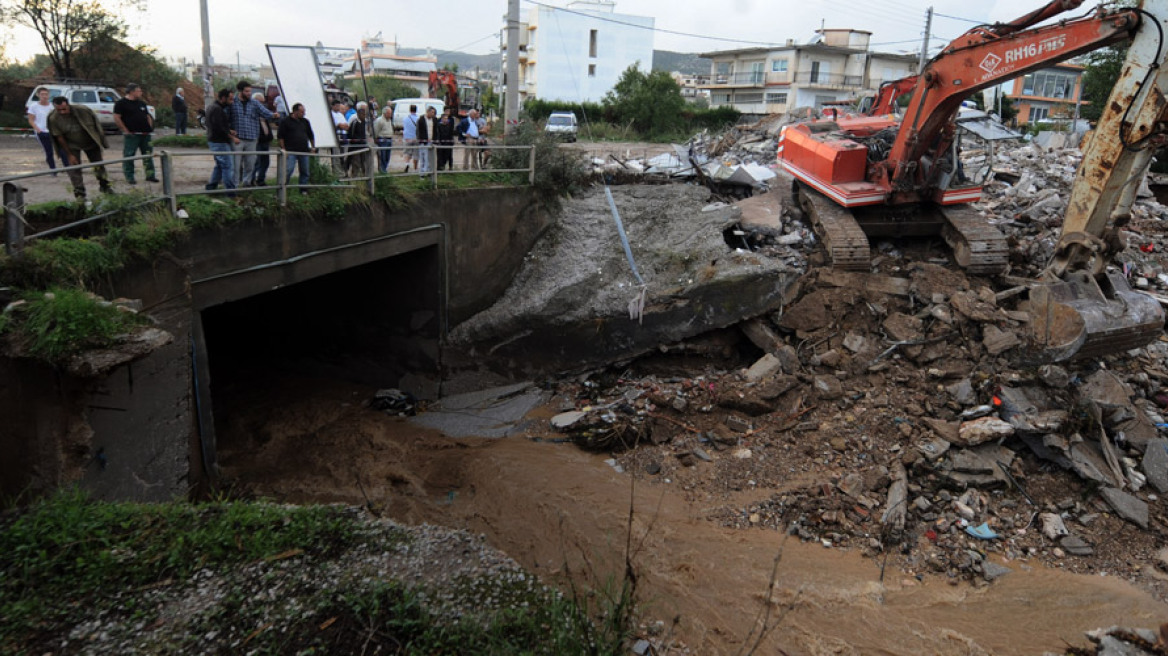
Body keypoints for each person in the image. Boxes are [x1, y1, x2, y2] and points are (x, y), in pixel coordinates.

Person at [47, 96, 112, 200]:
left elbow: (97, 127)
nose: (62, 112)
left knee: (98, 165)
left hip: (90, 141)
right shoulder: (53, 118)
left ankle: (105, 185)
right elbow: (59, 137)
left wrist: (101, 142)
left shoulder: (83, 111)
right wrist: (69, 154)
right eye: (59, 110)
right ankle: (80, 193)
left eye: (64, 109)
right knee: (74, 169)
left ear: (68, 105)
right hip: (72, 144)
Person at [230, 79, 276, 186]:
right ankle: (234, 187)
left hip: (252, 139)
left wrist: (274, 115)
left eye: (250, 91)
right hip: (238, 139)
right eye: (246, 91)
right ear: (240, 91)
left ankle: (247, 184)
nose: (249, 93)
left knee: (250, 164)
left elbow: (265, 112)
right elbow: (226, 118)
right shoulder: (233, 103)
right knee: (236, 165)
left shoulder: (254, 103)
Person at [113, 82, 157, 184]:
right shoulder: (121, 103)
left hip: (145, 134)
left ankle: (150, 175)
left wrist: (149, 128)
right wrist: (125, 130)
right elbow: (117, 117)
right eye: (139, 91)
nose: (141, 92)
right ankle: (130, 177)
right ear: (132, 92)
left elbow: (147, 116)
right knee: (129, 155)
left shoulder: (141, 103)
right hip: (132, 134)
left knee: (147, 155)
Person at [205, 88, 240, 193]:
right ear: (223, 98)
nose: (232, 101)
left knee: (220, 166)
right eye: (230, 99)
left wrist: (229, 130)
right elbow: (219, 128)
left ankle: (211, 188)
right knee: (227, 166)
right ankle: (230, 192)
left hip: (215, 140)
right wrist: (232, 137)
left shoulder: (214, 107)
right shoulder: (217, 109)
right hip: (219, 142)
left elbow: (218, 125)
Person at [27, 87, 66, 176]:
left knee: (62, 150)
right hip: (42, 132)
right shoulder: (34, 106)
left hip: (53, 131)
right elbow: (31, 120)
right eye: (42, 94)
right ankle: (53, 170)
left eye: (46, 94)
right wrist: (38, 130)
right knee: (49, 152)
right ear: (38, 95)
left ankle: (68, 167)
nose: (44, 96)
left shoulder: (52, 106)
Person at [278, 102, 315, 191]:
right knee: (288, 170)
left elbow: (311, 135)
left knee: (305, 171)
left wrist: (313, 147)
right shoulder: (285, 121)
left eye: (304, 112)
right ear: (295, 111)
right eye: (302, 112)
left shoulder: (305, 121)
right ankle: (282, 188)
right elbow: (280, 137)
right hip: (291, 150)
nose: (304, 114)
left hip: (303, 150)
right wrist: (283, 149)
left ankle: (303, 190)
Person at [252, 92, 275, 185]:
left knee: (265, 162)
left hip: (265, 141)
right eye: (260, 102)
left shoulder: (264, 113)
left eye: (263, 102)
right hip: (257, 142)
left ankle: (260, 180)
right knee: (256, 163)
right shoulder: (253, 113)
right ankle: (251, 180)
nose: (262, 105)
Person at [346, 101, 369, 177]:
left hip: (363, 145)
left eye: (365, 114)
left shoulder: (365, 122)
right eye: (363, 114)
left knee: (364, 162)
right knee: (356, 162)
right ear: (359, 114)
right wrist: (355, 140)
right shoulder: (354, 122)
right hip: (355, 146)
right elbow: (350, 134)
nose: (364, 116)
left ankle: (365, 177)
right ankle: (354, 177)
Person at [415, 106, 438, 176]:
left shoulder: (434, 120)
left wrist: (435, 140)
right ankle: (422, 173)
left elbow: (436, 131)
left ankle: (429, 172)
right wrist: (420, 140)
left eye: (434, 113)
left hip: (431, 142)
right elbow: (418, 131)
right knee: (423, 158)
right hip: (423, 142)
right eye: (432, 112)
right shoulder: (421, 120)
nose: (433, 114)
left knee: (430, 158)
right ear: (427, 112)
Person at [330, 100, 350, 175]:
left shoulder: (340, 114)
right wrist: (342, 126)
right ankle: (337, 173)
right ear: (332, 106)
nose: (338, 107)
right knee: (337, 156)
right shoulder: (331, 114)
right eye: (337, 106)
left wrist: (343, 126)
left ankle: (344, 172)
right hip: (337, 136)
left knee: (344, 156)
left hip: (344, 136)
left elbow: (347, 126)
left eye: (339, 106)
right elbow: (339, 125)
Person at [373, 105, 394, 173]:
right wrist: (376, 139)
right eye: (389, 113)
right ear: (385, 113)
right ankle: (382, 169)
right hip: (382, 140)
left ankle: (385, 168)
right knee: (382, 156)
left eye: (391, 113)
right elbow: (376, 130)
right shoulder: (379, 120)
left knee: (387, 156)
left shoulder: (390, 120)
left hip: (389, 139)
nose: (390, 115)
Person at [435, 106, 457, 171]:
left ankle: (450, 166)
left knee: (448, 154)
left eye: (449, 111)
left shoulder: (451, 120)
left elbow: (452, 130)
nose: (448, 113)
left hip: (448, 140)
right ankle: (440, 167)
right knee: (440, 155)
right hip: (441, 141)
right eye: (447, 111)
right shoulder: (439, 121)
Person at [401, 104, 419, 173]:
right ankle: (415, 168)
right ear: (416, 110)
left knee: (407, 153)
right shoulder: (418, 119)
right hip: (416, 137)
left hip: (407, 138)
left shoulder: (405, 119)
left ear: (410, 110)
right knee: (416, 154)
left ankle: (407, 164)